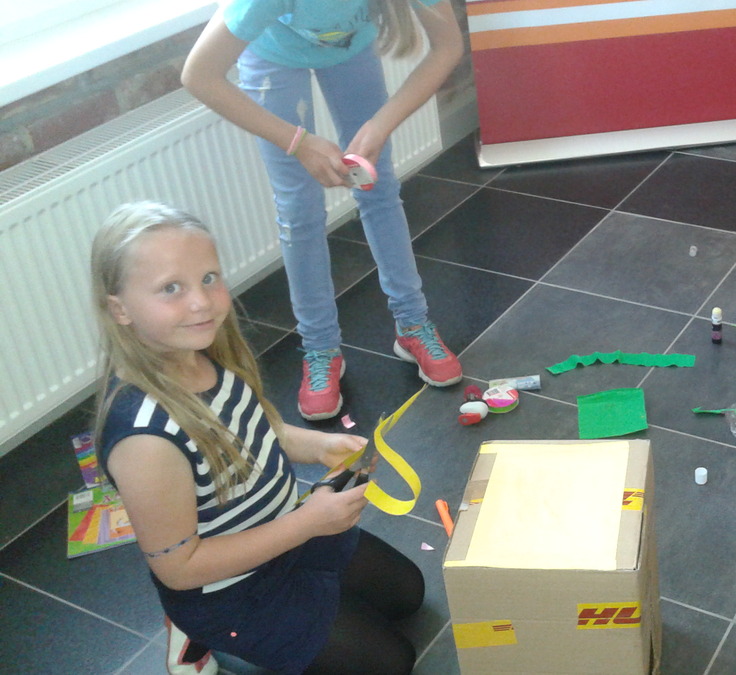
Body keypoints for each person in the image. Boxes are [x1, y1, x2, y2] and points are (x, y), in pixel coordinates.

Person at [91, 202, 426, 674]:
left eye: (209, 278)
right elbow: (179, 567)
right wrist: (308, 523)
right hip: (229, 591)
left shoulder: (203, 348)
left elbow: (253, 425)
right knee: (391, 663)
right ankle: (196, 635)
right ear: (120, 309)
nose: (201, 302)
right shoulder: (146, 441)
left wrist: (317, 446)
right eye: (171, 288)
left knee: (409, 594)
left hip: (286, 532)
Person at [182, 0, 465, 421]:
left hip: (350, 50)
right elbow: (198, 75)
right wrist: (296, 142)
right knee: (299, 211)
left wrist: (381, 124)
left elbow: (447, 46)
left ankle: (412, 324)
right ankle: (320, 348)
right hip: (273, 52)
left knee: (376, 184)